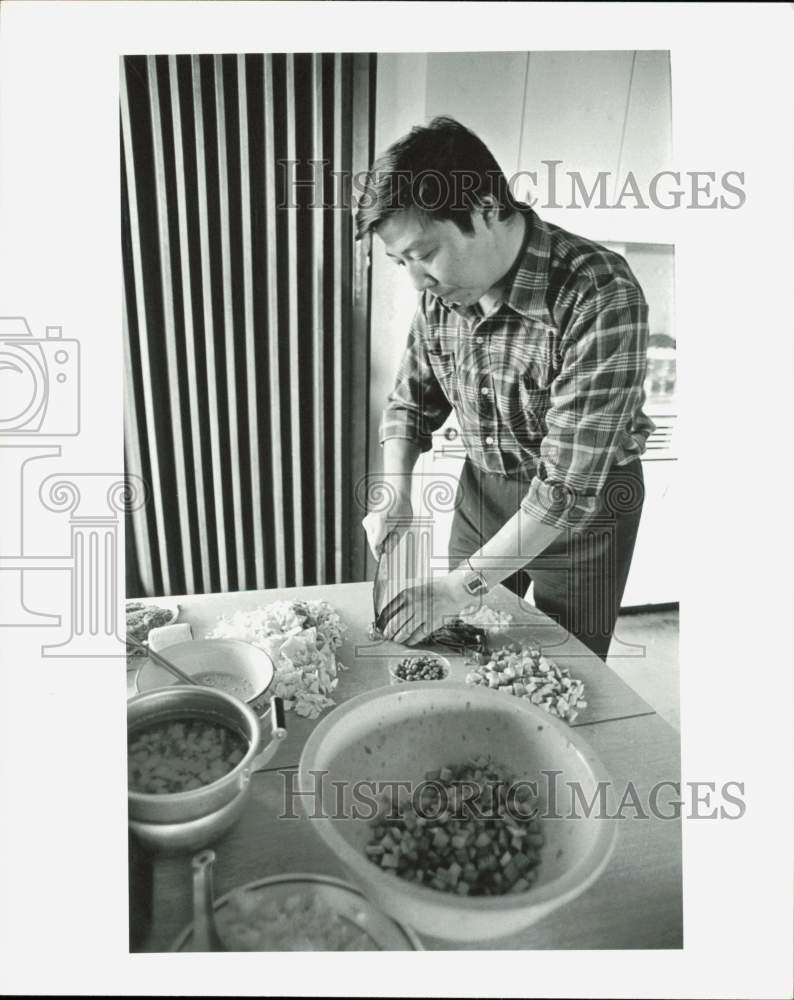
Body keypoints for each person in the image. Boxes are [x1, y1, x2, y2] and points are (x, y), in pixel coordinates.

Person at [358, 116, 654, 661]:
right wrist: (397, 492)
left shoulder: (598, 291)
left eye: (422, 255)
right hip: (484, 491)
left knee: (568, 664)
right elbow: (409, 404)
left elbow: (564, 486)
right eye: (401, 262)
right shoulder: (441, 294)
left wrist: (455, 587)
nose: (416, 281)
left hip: (588, 511)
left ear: (488, 209)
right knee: (465, 645)